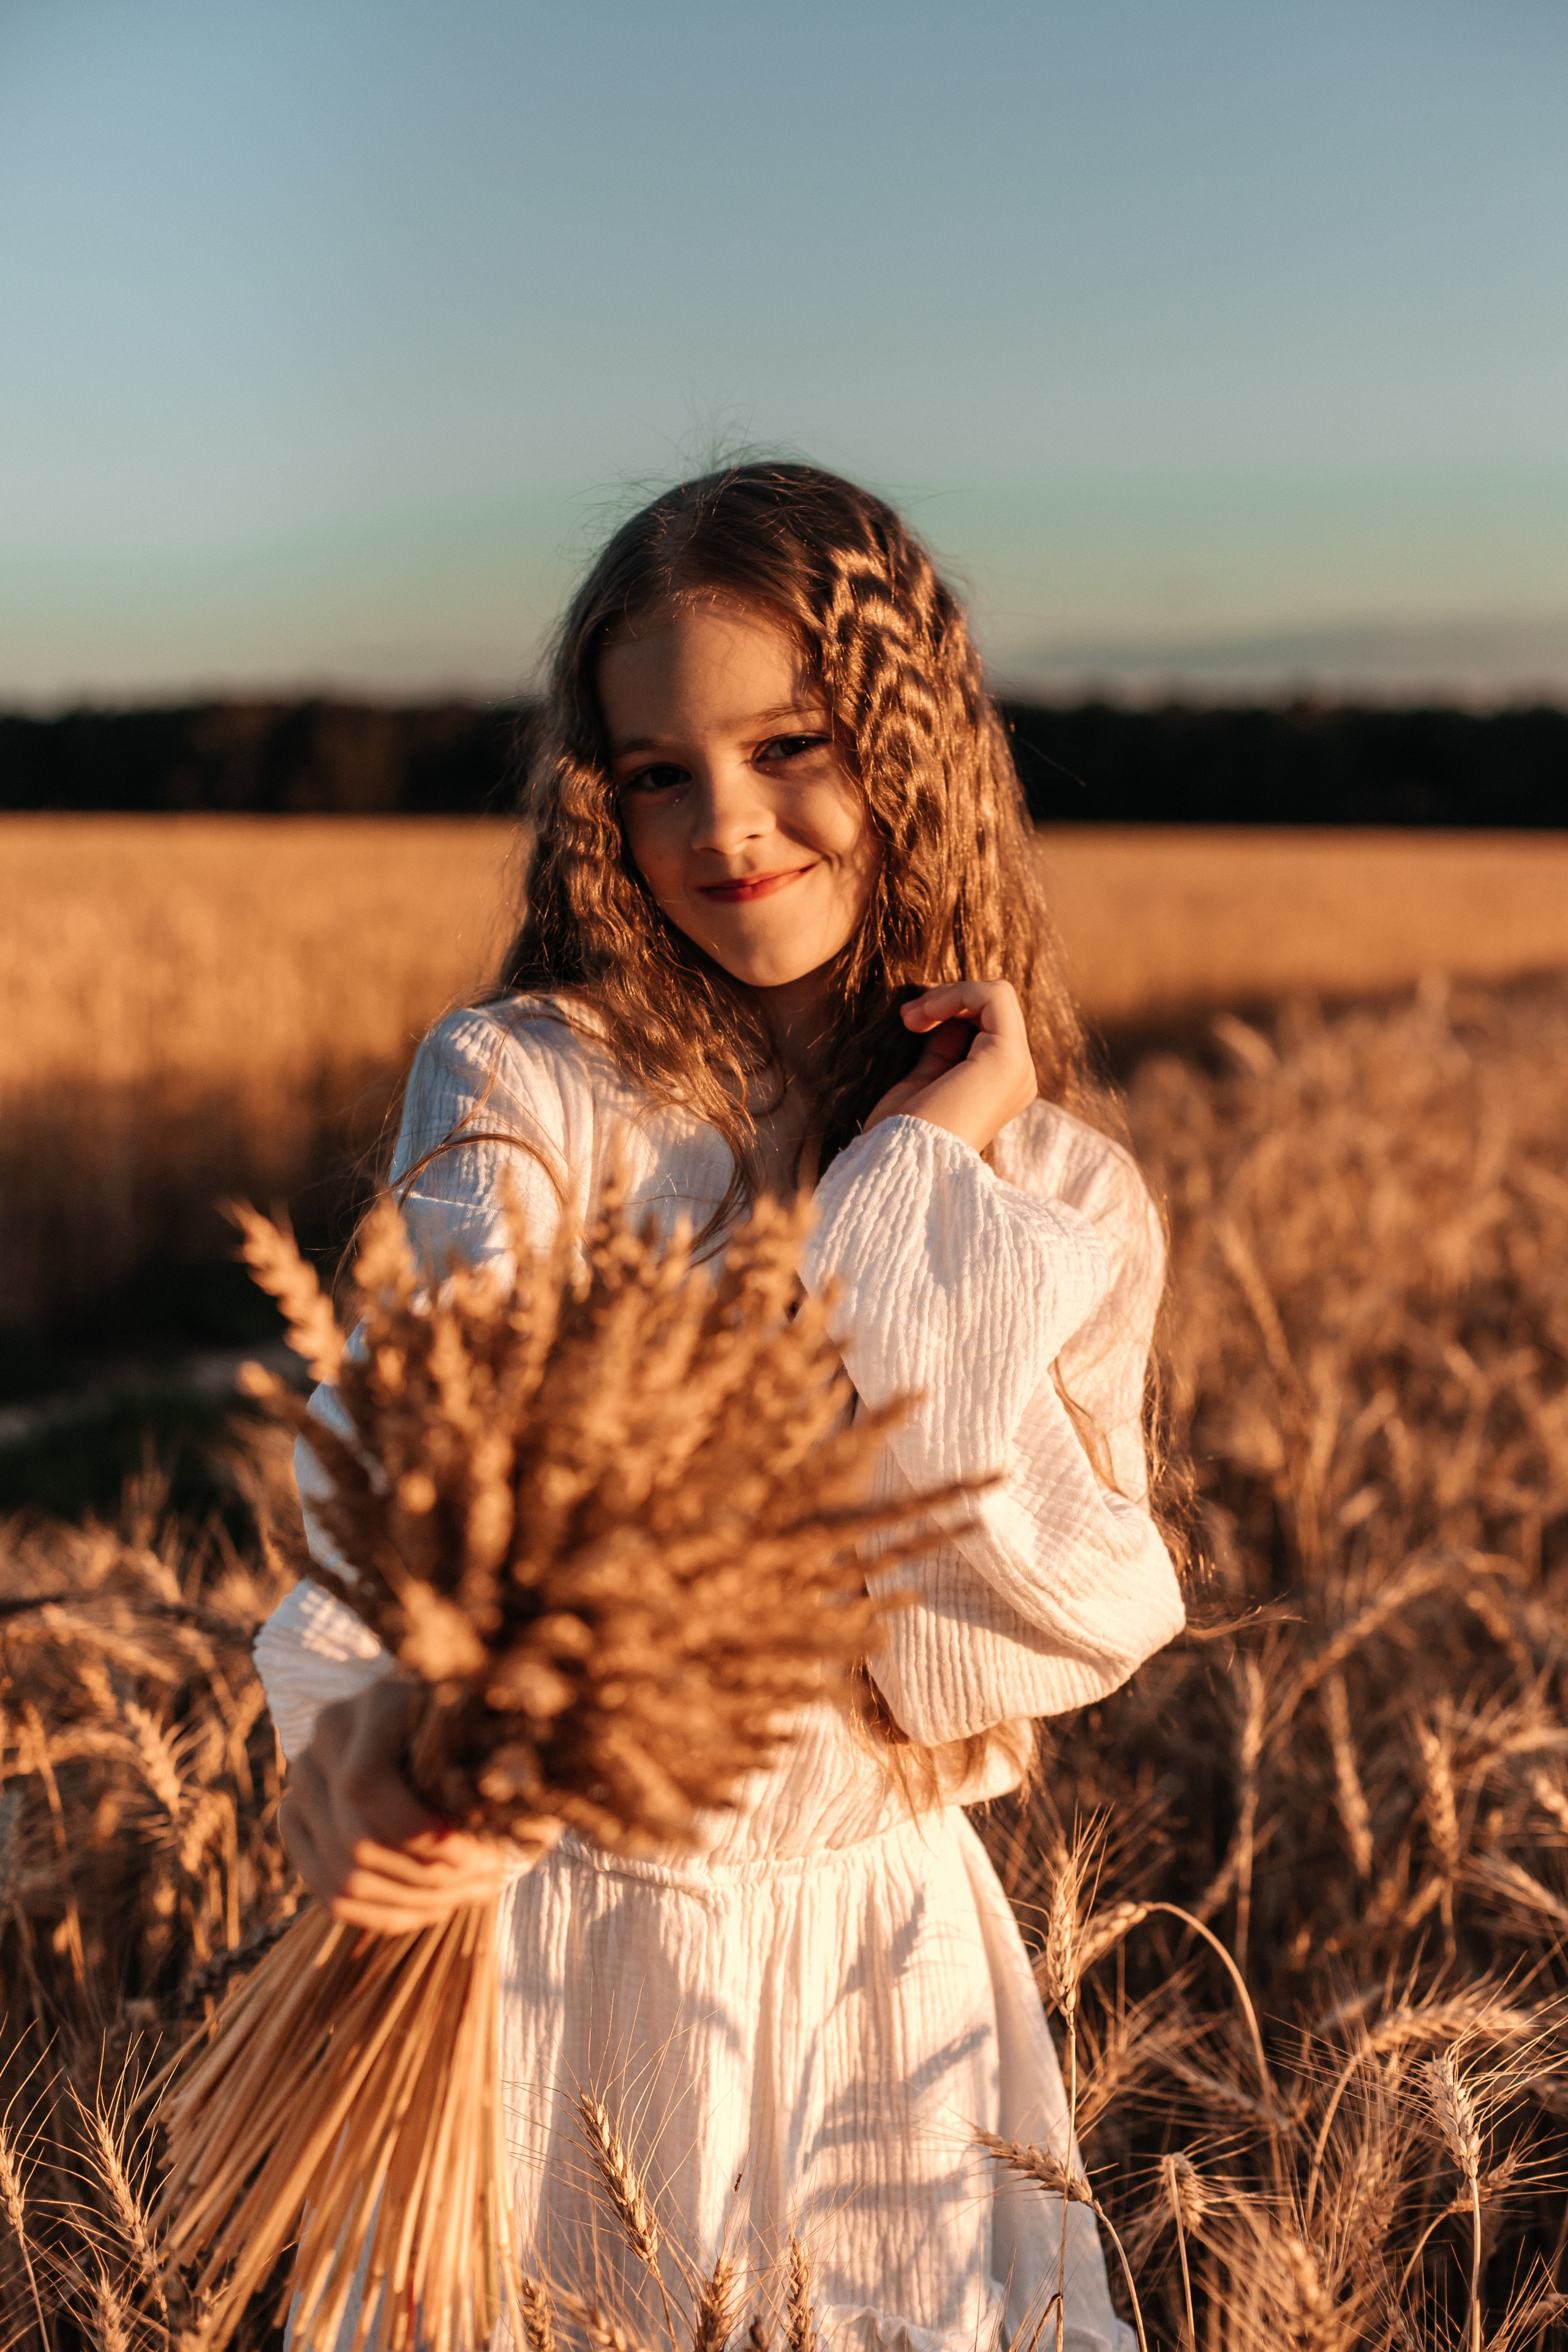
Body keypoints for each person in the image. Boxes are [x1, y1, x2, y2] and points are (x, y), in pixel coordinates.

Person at [252, 462, 1185, 2352]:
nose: (727, 826)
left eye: (788, 749)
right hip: (551, 1948)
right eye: (658, 773)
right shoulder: (527, 1090)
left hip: (879, 1980)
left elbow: (1013, 1632)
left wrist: (912, 1176)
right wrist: (356, 1759)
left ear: (909, 746)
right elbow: (428, 1481)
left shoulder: (1054, 1194)